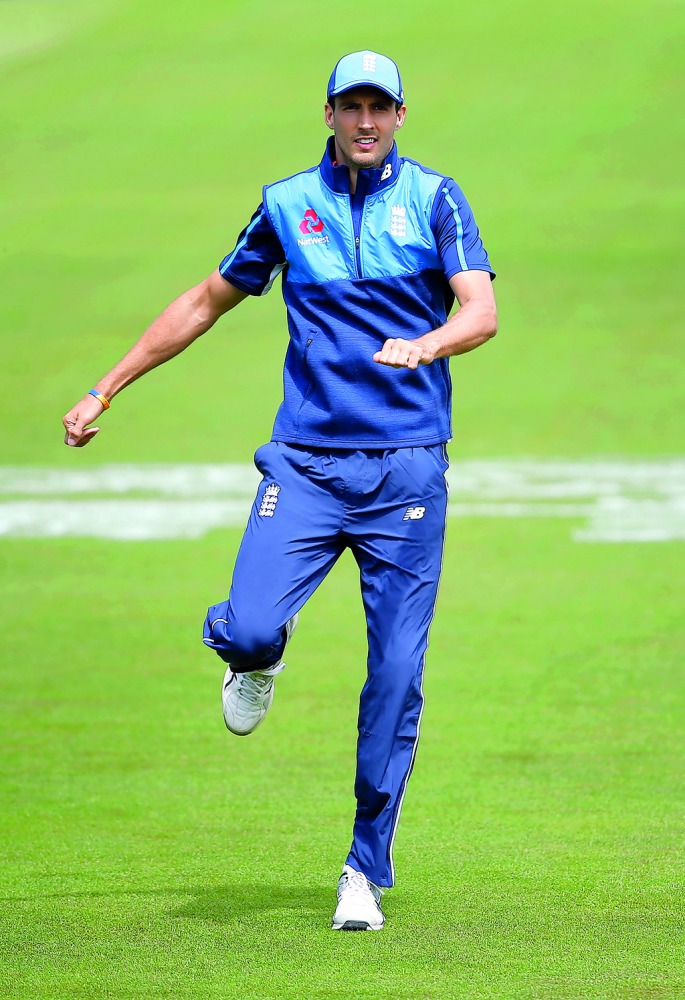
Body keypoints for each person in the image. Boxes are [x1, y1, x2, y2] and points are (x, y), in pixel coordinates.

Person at [62, 50, 497, 931]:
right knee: (253, 622)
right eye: (351, 107)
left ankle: (361, 872)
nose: (366, 122)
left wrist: (431, 345)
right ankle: (257, 653)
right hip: (304, 463)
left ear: (401, 115)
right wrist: (106, 387)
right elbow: (207, 299)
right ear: (329, 113)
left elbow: (478, 309)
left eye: (380, 107)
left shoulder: (435, 199)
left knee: (396, 676)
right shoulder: (287, 202)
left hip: (407, 469)